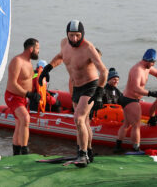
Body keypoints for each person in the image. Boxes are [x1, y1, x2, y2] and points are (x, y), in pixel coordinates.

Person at [39, 20, 108, 167]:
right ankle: (88, 151)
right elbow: (60, 57)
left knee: (78, 119)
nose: (74, 39)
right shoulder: (64, 43)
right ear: (67, 35)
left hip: (91, 86)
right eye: (71, 35)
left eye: (77, 35)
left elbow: (104, 71)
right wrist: (48, 68)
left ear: (82, 34)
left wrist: (100, 92)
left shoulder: (88, 48)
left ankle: (82, 154)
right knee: (84, 122)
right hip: (77, 87)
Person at [114, 48, 157, 152]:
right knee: (136, 125)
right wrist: (152, 93)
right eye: (153, 63)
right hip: (130, 99)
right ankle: (136, 148)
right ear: (149, 61)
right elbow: (136, 88)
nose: (153, 65)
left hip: (129, 98)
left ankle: (117, 147)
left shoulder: (147, 67)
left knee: (126, 124)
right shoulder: (137, 70)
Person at [5, 38, 41, 155]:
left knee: (19, 123)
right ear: (31, 49)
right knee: (25, 118)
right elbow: (12, 84)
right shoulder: (17, 61)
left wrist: (40, 75)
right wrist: (28, 94)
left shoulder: (29, 62)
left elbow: (28, 78)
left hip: (23, 97)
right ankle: (25, 151)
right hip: (13, 96)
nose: (38, 51)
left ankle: (16, 152)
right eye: (37, 49)